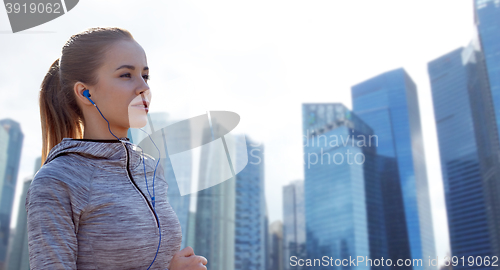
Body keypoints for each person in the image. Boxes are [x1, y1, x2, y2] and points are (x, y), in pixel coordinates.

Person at [25, 26, 208, 270]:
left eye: (145, 76)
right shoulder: (57, 180)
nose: (144, 87)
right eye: (126, 75)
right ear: (86, 92)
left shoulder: (150, 168)